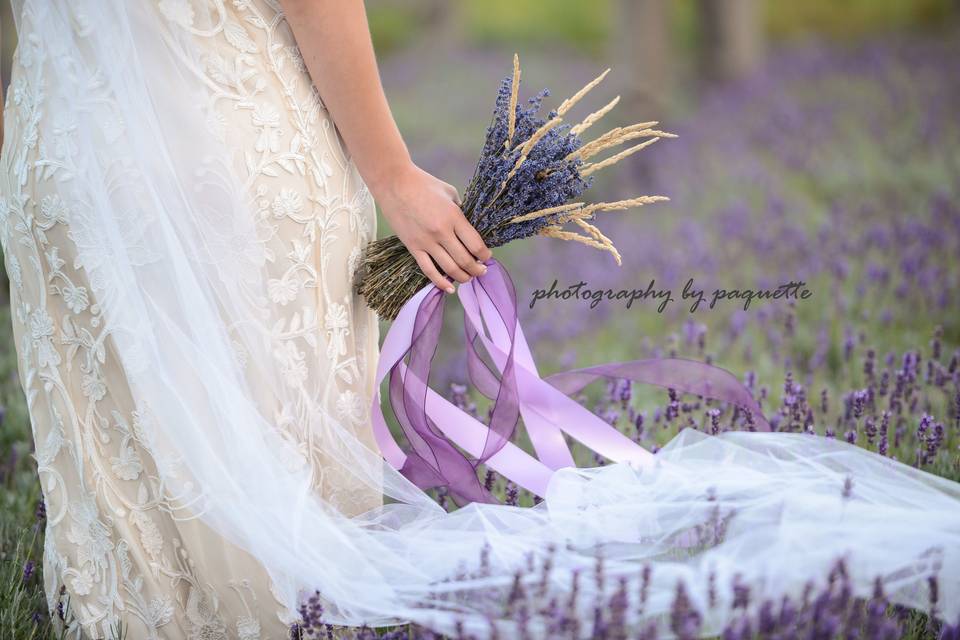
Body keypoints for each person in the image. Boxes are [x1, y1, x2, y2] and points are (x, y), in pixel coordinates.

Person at [1, 2, 957, 639]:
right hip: (226, 165)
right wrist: (392, 175)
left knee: (135, 484)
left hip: (58, 176)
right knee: (278, 517)